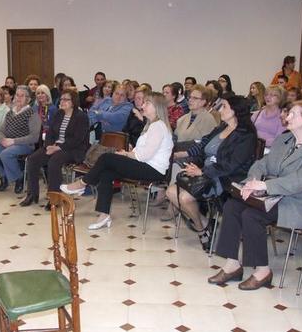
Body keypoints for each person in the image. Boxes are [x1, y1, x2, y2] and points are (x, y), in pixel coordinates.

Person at [210, 99, 302, 289]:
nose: (287, 116)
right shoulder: (283, 140)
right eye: (288, 112)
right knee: (232, 206)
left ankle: (262, 271)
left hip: (297, 203)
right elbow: (261, 164)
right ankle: (232, 264)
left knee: (251, 215)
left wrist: (265, 186)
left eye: (293, 114)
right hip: (271, 196)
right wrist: (253, 181)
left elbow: (300, 181)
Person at [60, 92, 173, 230]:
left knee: (107, 158)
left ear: (157, 107)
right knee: (107, 172)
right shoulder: (151, 125)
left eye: (147, 103)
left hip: (153, 171)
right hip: (145, 165)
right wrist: (129, 153)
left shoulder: (158, 126)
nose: (143, 105)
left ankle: (82, 183)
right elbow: (141, 152)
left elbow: (144, 156)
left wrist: (126, 154)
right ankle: (104, 215)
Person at [167, 95, 257, 249]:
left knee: (184, 197)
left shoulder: (246, 135)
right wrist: (191, 164)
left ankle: (202, 231)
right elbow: (203, 147)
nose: (220, 110)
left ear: (235, 111)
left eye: (224, 107)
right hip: (206, 171)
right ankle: (203, 224)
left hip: (225, 178)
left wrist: (202, 172)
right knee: (170, 192)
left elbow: (231, 166)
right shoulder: (221, 127)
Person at [21, 89, 89, 208]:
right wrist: (48, 146)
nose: (62, 101)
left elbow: (77, 139)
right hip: (55, 146)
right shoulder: (59, 114)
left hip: (73, 150)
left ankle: (54, 198)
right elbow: (50, 132)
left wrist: (58, 147)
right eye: (61, 99)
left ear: (73, 102)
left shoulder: (81, 117)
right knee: (33, 159)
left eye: (66, 99)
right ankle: (32, 194)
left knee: (54, 162)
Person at [0, 85, 41, 193]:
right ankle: (3, 176)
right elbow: (1, 131)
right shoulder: (10, 112)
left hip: (25, 144)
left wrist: (13, 141)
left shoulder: (32, 114)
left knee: (5, 154)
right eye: (17, 95)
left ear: (28, 99)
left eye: (22, 96)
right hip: (7, 142)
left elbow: (34, 137)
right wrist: (2, 139)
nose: (19, 98)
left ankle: (19, 178)